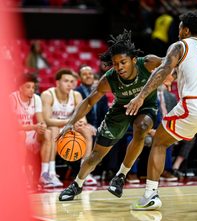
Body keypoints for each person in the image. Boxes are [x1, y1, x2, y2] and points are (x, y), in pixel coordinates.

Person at [125, 10, 197, 210]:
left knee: (159, 142)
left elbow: (163, 70)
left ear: (185, 29)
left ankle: (151, 194)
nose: (178, 30)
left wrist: (141, 95)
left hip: (195, 104)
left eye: (180, 27)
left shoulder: (180, 45)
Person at [58, 29, 163, 201]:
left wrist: (169, 75)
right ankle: (77, 184)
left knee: (142, 127)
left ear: (134, 60)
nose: (120, 67)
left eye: (123, 62)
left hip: (145, 106)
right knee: (96, 155)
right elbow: (89, 101)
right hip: (120, 110)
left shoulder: (148, 63)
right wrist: (71, 122)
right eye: (116, 63)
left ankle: (121, 176)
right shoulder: (109, 79)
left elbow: (168, 64)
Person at [41, 68, 96, 187]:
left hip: (68, 128)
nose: (69, 84)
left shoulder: (76, 95)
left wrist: (80, 123)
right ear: (57, 83)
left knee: (86, 131)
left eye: (72, 81)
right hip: (53, 129)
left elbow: (83, 118)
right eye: (66, 81)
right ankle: (50, 173)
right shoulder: (48, 95)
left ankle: (84, 172)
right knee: (54, 131)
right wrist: (70, 122)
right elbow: (47, 120)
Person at [9, 72, 52, 190]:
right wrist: (34, 127)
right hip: (15, 134)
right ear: (20, 88)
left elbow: (40, 120)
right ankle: (22, 173)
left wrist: (42, 126)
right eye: (28, 87)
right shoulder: (12, 98)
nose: (32, 90)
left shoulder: (36, 98)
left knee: (47, 133)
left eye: (33, 87)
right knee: (21, 134)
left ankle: (45, 173)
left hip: (30, 131)